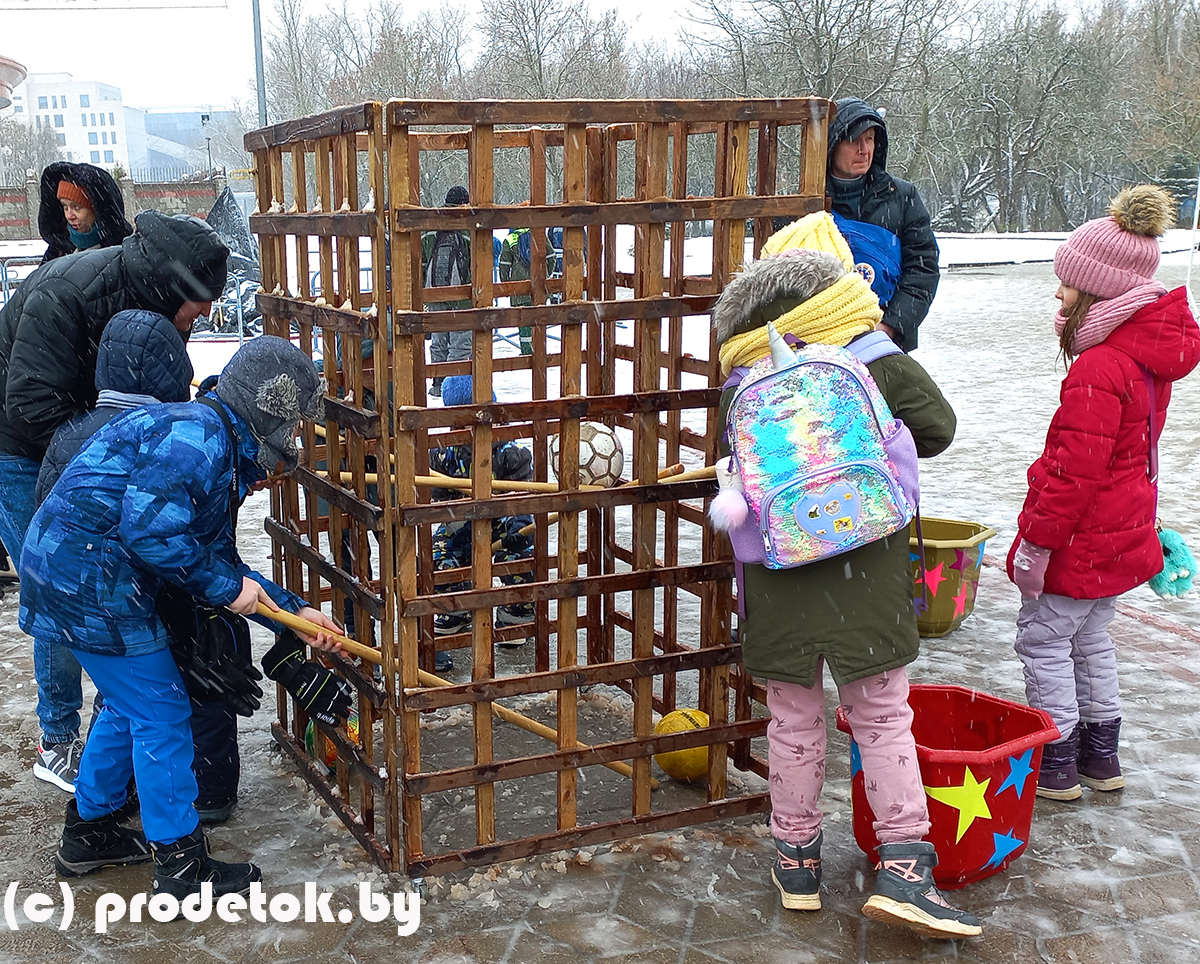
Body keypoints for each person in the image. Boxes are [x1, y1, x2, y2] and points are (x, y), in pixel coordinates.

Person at [711, 215, 981, 938]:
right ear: (839, 279)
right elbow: (940, 427)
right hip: (865, 569)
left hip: (781, 576)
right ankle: (903, 870)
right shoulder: (872, 355)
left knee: (793, 724)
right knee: (882, 717)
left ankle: (797, 864)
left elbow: (738, 468)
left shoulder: (744, 368)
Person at [21, 335, 346, 898]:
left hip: (75, 571)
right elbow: (151, 534)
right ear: (266, 409)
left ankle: (89, 835)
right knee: (163, 712)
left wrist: (296, 616)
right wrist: (226, 589)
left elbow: (219, 558)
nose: (291, 440)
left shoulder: (213, 438)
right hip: (92, 580)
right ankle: (181, 866)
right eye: (290, 424)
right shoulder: (196, 439)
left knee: (129, 707)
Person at [0, 209, 229, 791]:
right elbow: (29, 401)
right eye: (199, 304)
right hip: (22, 448)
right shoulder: (69, 294)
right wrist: (111, 450)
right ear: (171, 286)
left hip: (88, 433)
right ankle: (58, 740)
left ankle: (118, 717)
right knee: (62, 585)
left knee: (113, 593)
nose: (203, 319)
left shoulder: (150, 311)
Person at [1007, 185, 1200, 800]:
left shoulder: (1099, 367)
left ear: (1100, 289)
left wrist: (1037, 544)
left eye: (1067, 282)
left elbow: (1073, 474)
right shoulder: (1141, 357)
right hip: (1121, 529)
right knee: (1090, 639)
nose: (1058, 293)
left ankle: (1057, 758)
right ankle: (1100, 755)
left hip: (1081, 539)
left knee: (1042, 639)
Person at [431, 376, 535, 665]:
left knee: (520, 555)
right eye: (461, 421)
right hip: (460, 524)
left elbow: (521, 497)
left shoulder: (510, 453)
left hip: (503, 523)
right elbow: (440, 503)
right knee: (437, 556)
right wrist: (461, 524)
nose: (470, 428)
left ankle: (516, 611)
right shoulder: (441, 452)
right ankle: (457, 606)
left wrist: (518, 525)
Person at [823, 98, 939, 353]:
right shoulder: (808, 203)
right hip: (821, 346)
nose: (864, 150)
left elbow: (922, 271)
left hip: (885, 344)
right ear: (832, 144)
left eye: (870, 139)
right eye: (854, 140)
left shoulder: (902, 196)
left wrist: (889, 326)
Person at [423, 185, 473, 396]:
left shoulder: (431, 228)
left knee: (439, 340)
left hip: (433, 294)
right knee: (460, 342)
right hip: (461, 296)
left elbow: (422, 263)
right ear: (464, 203)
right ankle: (454, 388)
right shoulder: (469, 226)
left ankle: (437, 384)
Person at [37, 162, 134, 264]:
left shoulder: (123, 256)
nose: (70, 216)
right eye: (65, 206)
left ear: (97, 210)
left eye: (77, 207)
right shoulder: (58, 252)